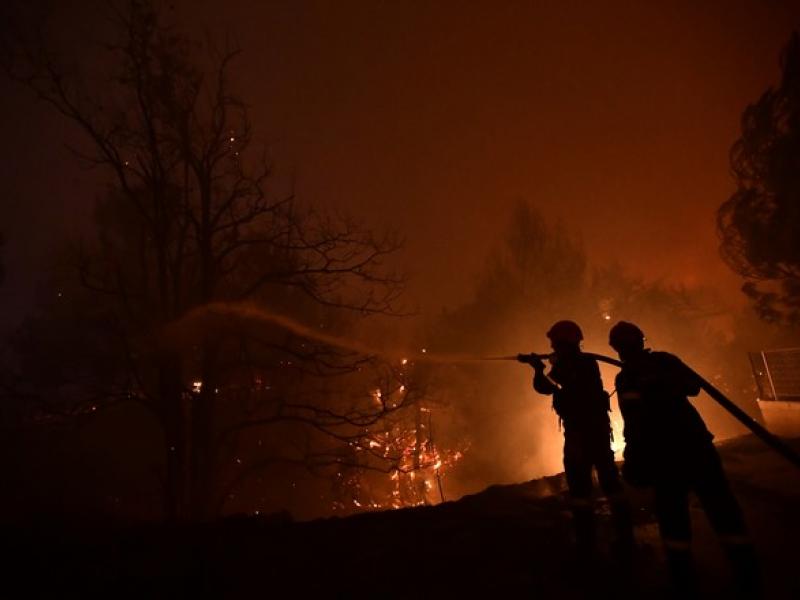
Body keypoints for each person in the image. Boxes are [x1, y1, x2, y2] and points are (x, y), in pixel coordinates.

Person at [608, 321, 759, 595]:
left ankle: (729, 575)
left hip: (683, 451)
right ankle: (717, 576)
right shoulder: (629, 376)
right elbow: (635, 421)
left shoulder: (661, 363)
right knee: (698, 513)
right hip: (679, 451)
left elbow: (692, 387)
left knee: (700, 513)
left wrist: (659, 381)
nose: (625, 351)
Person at [520, 320, 633, 556]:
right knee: (609, 481)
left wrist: (538, 368)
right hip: (597, 432)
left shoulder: (573, 364)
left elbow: (546, 386)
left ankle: (587, 543)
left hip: (581, 435)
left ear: (563, 342)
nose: (552, 346)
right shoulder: (583, 362)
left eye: (555, 342)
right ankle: (624, 537)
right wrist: (547, 365)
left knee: (581, 487)